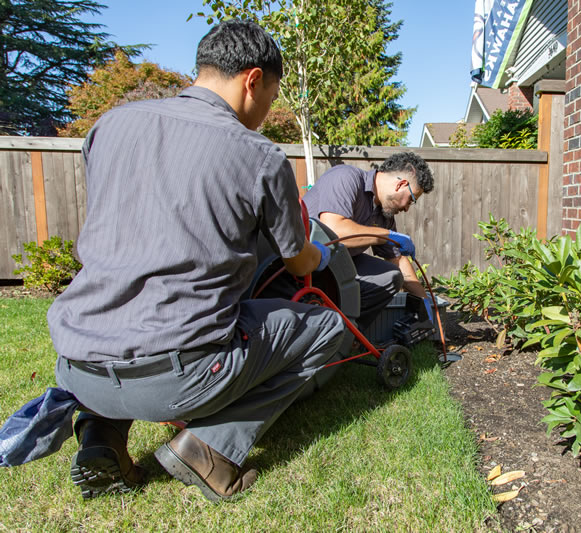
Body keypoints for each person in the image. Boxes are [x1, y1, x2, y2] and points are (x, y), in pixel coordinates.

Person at [46, 20, 346, 502]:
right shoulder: (259, 155)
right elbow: (296, 262)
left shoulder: (110, 125)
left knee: (133, 313)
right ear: (253, 80)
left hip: (78, 366)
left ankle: (101, 436)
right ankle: (209, 449)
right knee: (325, 327)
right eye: (271, 96)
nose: (268, 111)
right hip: (175, 377)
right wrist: (324, 251)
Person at [302, 153, 434, 326]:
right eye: (411, 199)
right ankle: (325, 331)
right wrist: (385, 235)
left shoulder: (384, 215)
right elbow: (333, 232)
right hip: (301, 262)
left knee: (391, 276)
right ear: (401, 184)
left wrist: (424, 300)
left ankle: (348, 335)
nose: (407, 208)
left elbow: (398, 260)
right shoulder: (345, 178)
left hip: (335, 266)